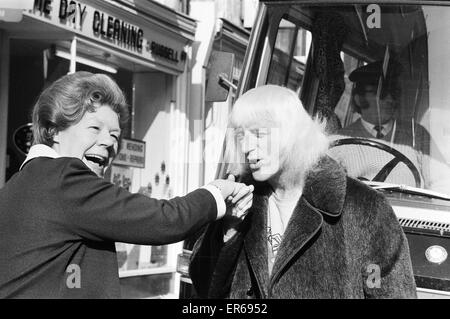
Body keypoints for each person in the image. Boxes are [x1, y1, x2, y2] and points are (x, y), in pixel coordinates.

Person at [0, 71, 254, 298]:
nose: (108, 142)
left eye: (114, 135)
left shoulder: (24, 183)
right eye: (94, 128)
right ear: (53, 130)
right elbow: (165, 221)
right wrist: (217, 193)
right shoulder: (63, 177)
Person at [189, 85, 417, 299]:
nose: (247, 147)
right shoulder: (238, 198)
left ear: (292, 133)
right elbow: (205, 287)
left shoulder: (365, 209)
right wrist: (229, 230)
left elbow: (383, 287)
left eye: (259, 134)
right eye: (241, 136)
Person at [332, 60, 449, 190]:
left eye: (393, 93)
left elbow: (441, 182)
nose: (390, 99)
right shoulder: (339, 142)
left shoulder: (417, 135)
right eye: (381, 94)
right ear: (359, 99)